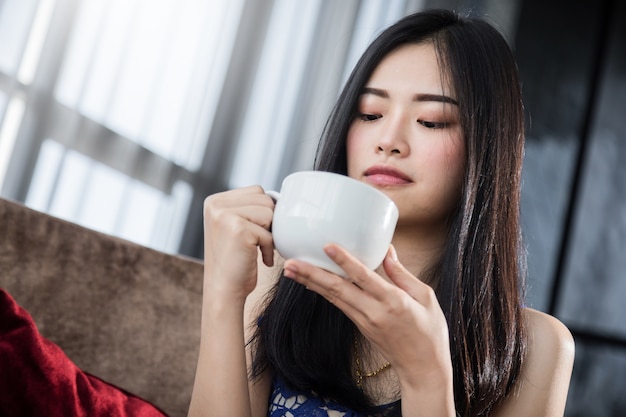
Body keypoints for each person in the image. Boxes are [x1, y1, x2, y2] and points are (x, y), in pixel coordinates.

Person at [187, 8, 575, 417]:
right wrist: (221, 297)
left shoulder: (537, 347)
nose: (388, 140)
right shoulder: (277, 275)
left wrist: (427, 376)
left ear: (487, 148)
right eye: (371, 114)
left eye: (431, 121)